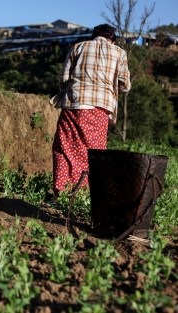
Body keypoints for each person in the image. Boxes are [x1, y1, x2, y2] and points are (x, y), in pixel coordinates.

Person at [51, 24, 131, 197]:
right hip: (100, 110)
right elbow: (125, 85)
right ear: (113, 39)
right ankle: (85, 195)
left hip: (75, 105)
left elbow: (64, 79)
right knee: (93, 154)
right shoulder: (119, 53)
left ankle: (61, 191)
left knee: (63, 148)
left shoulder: (78, 47)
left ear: (93, 36)